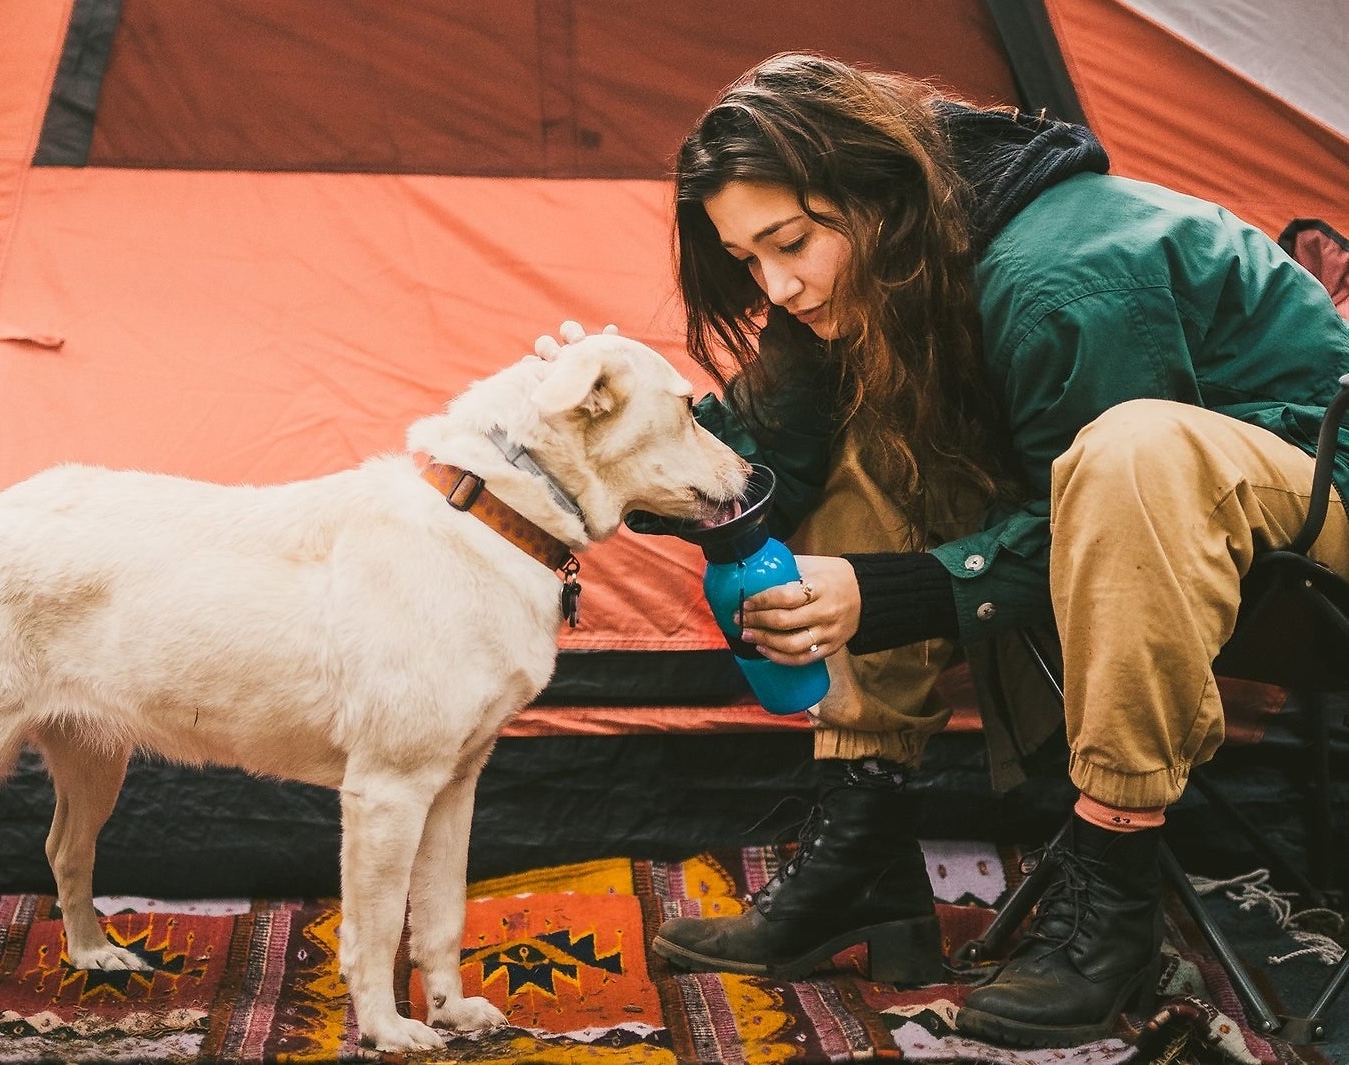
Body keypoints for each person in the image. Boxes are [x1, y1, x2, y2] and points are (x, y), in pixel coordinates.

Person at [541, 52, 1349, 1048]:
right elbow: (766, 470)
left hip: (1314, 535)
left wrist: (888, 593)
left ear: (874, 192)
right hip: (1143, 535)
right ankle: (864, 856)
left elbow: (1100, 509)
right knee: (876, 431)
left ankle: (1115, 893)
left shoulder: (1063, 278)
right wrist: (613, 441)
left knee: (1132, 450)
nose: (778, 284)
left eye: (789, 242)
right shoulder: (880, 273)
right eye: (750, 260)